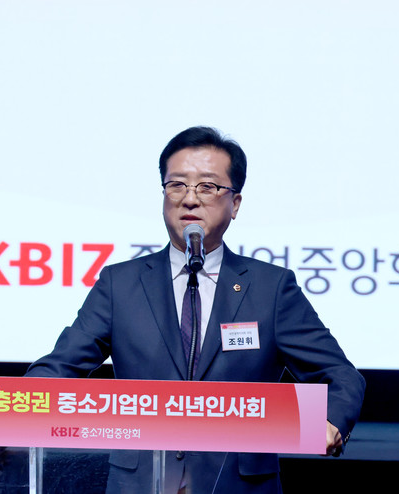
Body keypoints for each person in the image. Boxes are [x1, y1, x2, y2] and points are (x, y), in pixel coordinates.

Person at [19, 126, 366, 493]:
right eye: (177, 185)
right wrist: (3, 418)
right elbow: (61, 366)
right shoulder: (120, 284)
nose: (189, 199)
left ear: (235, 203)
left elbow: (340, 375)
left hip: (238, 485)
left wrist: (330, 421)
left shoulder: (271, 288)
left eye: (207, 187)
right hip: (140, 483)